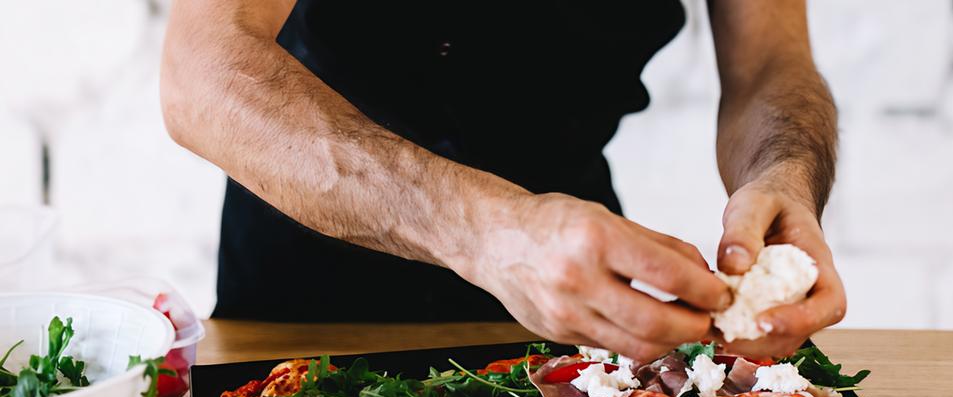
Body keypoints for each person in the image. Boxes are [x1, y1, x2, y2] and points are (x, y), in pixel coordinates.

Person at [160, 0, 845, 361]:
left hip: (576, 315)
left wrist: (783, 172)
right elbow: (203, 73)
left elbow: (769, 66)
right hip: (303, 309)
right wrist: (488, 231)